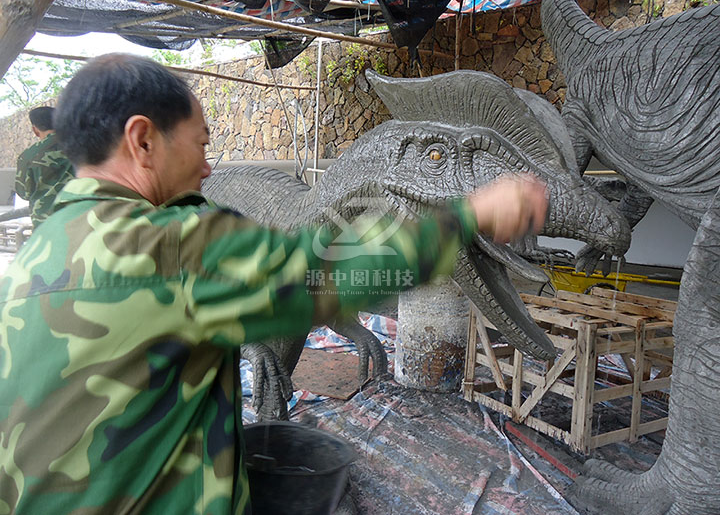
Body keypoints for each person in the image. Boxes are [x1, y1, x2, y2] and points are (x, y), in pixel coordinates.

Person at [0, 54, 547, 514]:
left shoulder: (41, 250)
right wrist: (468, 217)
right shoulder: (168, 246)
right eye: (201, 144)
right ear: (142, 140)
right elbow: (324, 272)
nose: (208, 169)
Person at [14, 106, 75, 228]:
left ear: (35, 130)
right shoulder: (83, 146)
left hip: (45, 226)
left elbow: (24, 193)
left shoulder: (28, 156)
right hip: (82, 220)